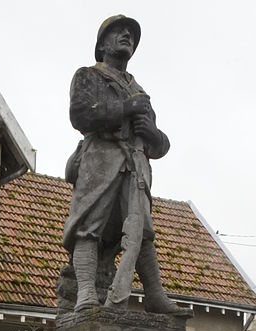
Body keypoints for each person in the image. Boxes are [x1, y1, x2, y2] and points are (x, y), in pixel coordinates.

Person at [63, 15, 179, 314]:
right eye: (119, 32)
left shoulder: (140, 91)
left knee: (142, 230)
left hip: (136, 166)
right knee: (88, 226)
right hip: (100, 160)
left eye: (131, 34)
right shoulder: (89, 75)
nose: (127, 35)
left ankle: (154, 294)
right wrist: (125, 108)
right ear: (102, 45)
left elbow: (160, 145)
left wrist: (152, 133)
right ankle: (86, 294)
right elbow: (80, 116)